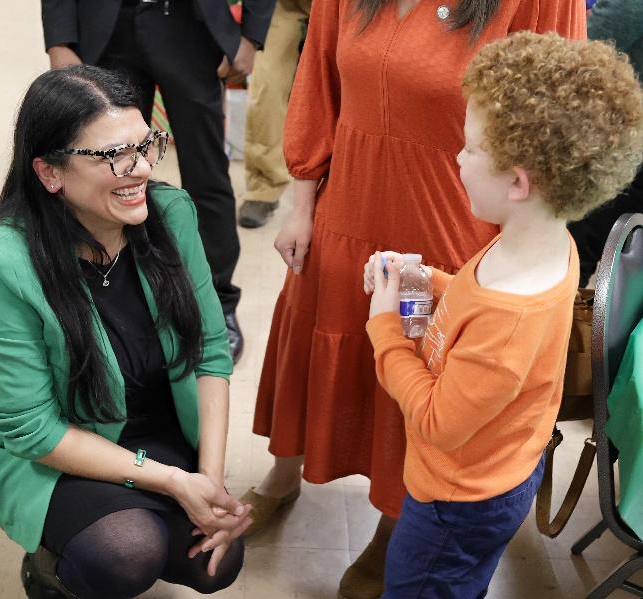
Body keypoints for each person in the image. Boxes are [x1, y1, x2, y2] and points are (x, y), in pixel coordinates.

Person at [242, 2, 585, 598]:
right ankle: (284, 472)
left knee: (421, 368)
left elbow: (558, 113)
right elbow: (317, 77)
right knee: (319, 332)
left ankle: (399, 519)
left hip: (452, 221)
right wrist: (300, 203)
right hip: (348, 199)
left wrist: (520, 243)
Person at [0, 66, 252, 599]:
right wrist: (174, 482)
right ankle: (49, 573)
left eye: (146, 145)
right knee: (124, 551)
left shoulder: (170, 214)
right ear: (49, 173)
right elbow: (33, 430)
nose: (139, 169)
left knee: (215, 564)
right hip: (52, 445)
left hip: (150, 424)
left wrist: (210, 481)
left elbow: (209, 352)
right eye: (113, 155)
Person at [363, 31, 643, 597]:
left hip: (456, 503)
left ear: (517, 182)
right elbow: (470, 305)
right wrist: (423, 283)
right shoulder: (544, 244)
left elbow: (439, 422)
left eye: (468, 148)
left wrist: (385, 327)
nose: (458, 158)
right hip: (500, 474)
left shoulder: (510, 308)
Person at [41, 0, 277, 362]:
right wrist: (59, 39)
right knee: (105, 169)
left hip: (189, 27)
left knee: (206, 174)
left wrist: (251, 36)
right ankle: (111, 298)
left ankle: (215, 303)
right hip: (107, 27)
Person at [567, 0, 643, 286]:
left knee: (575, 243)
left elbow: (585, 44)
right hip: (621, 131)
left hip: (622, 136)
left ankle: (564, 328)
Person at [238, 0, 312, 228]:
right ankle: (264, 188)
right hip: (281, 5)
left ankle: (350, 188)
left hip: (349, 5)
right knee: (266, 87)